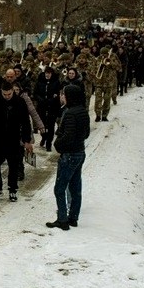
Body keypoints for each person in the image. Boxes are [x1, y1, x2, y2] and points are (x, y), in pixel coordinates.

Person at [46, 84, 90, 230]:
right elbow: (86, 133)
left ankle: (62, 219)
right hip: (80, 152)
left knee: (60, 188)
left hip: (70, 155)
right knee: (75, 187)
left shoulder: (70, 113)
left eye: (64, 94)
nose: (62, 96)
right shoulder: (83, 111)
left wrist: (58, 144)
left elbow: (68, 136)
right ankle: (73, 217)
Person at [0, 81, 33, 202]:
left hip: (13, 139)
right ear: (1, 92)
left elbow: (26, 122)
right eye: (5, 94)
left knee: (13, 166)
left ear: (13, 91)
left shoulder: (20, 103)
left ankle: (12, 189)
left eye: (9, 94)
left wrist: (26, 140)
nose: (7, 96)